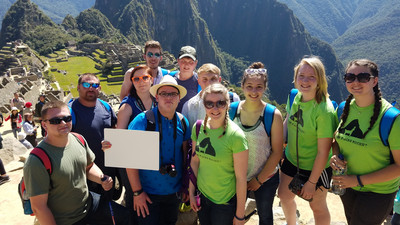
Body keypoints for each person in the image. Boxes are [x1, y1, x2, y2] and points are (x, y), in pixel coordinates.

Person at [23, 100, 130, 225]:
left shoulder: (78, 139)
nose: (63, 123)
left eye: (67, 118)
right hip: (65, 220)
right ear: (44, 125)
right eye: (55, 121)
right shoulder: (37, 160)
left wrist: (101, 179)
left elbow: (88, 166)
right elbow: (39, 208)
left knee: (128, 218)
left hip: (88, 204)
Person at [329, 59, 400, 225]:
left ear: (374, 81)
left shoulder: (391, 118)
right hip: (348, 185)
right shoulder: (343, 108)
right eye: (350, 77)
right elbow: (336, 139)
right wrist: (335, 155)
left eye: (363, 77)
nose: (355, 82)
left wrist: (357, 180)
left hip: (378, 191)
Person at [278, 56, 336, 225]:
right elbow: (288, 120)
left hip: (316, 166)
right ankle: (291, 223)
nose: (305, 81)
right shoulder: (295, 96)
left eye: (312, 77)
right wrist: (278, 147)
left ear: (320, 80)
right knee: (284, 196)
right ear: (295, 78)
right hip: (292, 159)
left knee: (317, 207)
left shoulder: (324, 110)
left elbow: (323, 151)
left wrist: (311, 182)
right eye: (301, 76)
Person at [126, 75, 190, 225]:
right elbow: (129, 158)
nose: (168, 97)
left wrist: (186, 186)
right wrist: (137, 192)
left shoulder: (182, 121)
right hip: (147, 193)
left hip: (174, 192)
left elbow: (186, 155)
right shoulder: (142, 121)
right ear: (156, 97)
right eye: (163, 93)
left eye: (173, 94)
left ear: (179, 98)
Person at [231, 62, 283, 225]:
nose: (254, 91)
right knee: (234, 214)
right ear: (242, 86)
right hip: (236, 176)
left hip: (265, 177)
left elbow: (277, 151)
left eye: (259, 87)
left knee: (265, 215)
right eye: (250, 86)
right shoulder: (232, 110)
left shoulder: (272, 115)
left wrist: (259, 180)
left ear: (265, 87)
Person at [189, 83, 249, 225]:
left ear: (228, 104)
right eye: (209, 103)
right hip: (203, 196)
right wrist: (192, 192)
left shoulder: (236, 136)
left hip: (224, 202)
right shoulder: (198, 128)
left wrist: (240, 215)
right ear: (204, 105)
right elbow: (195, 161)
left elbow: (241, 179)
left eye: (220, 103)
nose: (215, 108)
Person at [69, 73, 119, 197]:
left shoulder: (106, 107)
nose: (91, 88)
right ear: (78, 87)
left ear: (99, 88)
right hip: (84, 175)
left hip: (108, 172)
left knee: (109, 208)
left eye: (95, 85)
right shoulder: (69, 112)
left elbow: (115, 130)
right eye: (86, 84)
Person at [116, 64, 156, 221]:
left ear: (151, 80)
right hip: (133, 162)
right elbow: (120, 137)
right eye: (137, 79)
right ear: (132, 82)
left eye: (145, 78)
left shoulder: (158, 100)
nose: (141, 82)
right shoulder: (128, 106)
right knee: (136, 200)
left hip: (153, 159)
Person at [182, 63, 240, 128]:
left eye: (213, 79)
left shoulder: (233, 99)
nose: (209, 83)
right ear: (198, 81)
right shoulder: (188, 106)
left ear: (219, 80)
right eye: (205, 79)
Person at [173, 45, 199, 113]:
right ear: (178, 61)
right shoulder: (171, 80)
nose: (187, 65)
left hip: (193, 122)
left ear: (195, 63)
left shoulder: (200, 82)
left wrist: (199, 124)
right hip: (174, 122)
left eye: (190, 62)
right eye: (183, 61)